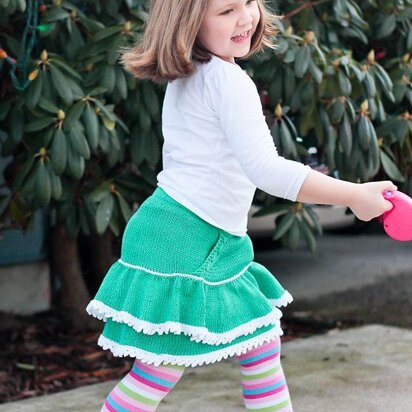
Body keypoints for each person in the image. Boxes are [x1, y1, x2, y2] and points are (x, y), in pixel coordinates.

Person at [86, 0, 397, 410]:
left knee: (260, 340)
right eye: (226, 10)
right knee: (159, 369)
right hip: (191, 238)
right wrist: (354, 195)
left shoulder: (192, 76)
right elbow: (266, 170)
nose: (246, 17)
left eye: (248, 1)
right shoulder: (228, 82)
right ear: (187, 24)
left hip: (185, 230)